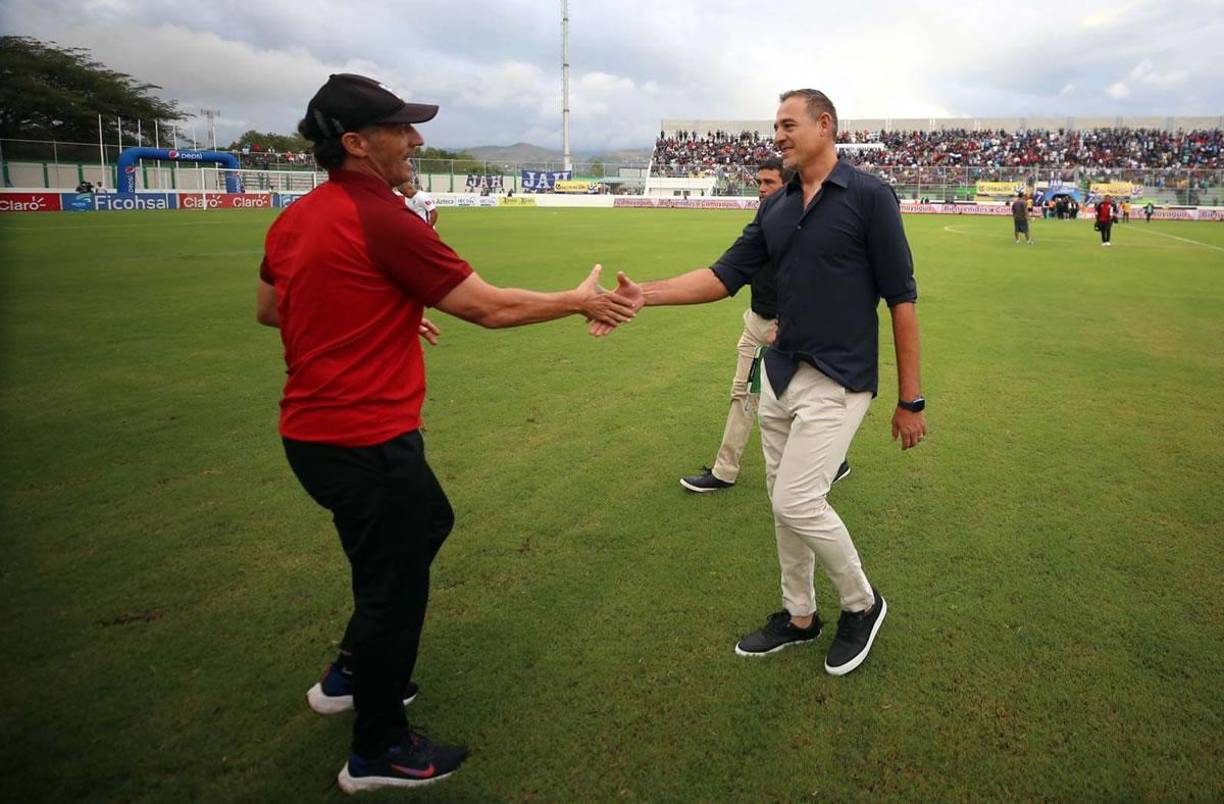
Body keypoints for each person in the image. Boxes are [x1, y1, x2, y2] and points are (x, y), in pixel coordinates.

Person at [257, 73, 635, 794]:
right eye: (401, 129)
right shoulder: (385, 216)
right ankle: (377, 748)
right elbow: (488, 309)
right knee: (395, 584)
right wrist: (576, 300)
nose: (417, 140)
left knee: (416, 532)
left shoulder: (295, 217)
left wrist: (379, 308)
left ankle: (349, 673)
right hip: (365, 438)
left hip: (311, 436)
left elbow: (272, 309)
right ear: (357, 143)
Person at [597, 89, 924, 676]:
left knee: (798, 499)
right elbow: (722, 276)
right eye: (774, 125)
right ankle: (800, 617)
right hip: (779, 375)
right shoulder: (774, 208)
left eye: (788, 124)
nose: (777, 135)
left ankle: (862, 603)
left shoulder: (870, 197)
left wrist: (911, 399)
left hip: (840, 378)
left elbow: (902, 300)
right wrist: (645, 294)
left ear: (825, 126)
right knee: (782, 504)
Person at [680, 156, 850, 493]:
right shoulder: (764, 223)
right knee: (742, 395)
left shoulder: (804, 228)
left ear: (787, 185)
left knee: (808, 401)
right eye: (759, 182)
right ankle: (724, 470)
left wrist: (789, 324)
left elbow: (821, 285)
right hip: (757, 324)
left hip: (794, 332)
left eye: (768, 183)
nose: (761, 189)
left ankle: (834, 461)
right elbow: (726, 273)